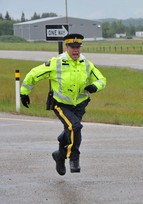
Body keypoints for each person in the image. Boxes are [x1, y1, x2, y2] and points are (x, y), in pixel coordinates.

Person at [20, 33, 106, 176]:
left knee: (71, 131)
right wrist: (24, 92)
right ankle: (74, 158)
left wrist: (95, 86)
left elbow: (102, 79)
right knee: (75, 127)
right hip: (61, 105)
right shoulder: (56, 62)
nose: (76, 50)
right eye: (72, 47)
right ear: (66, 47)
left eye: (78, 47)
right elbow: (34, 74)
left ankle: (60, 155)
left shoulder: (86, 64)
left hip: (80, 105)